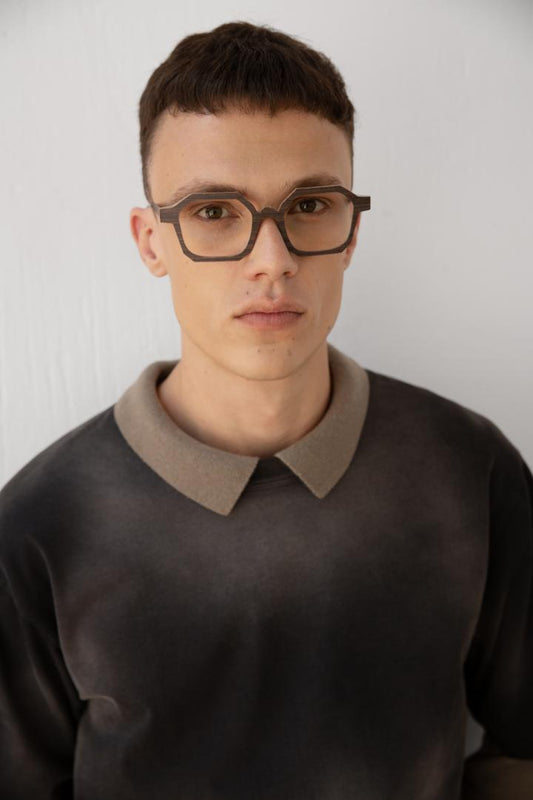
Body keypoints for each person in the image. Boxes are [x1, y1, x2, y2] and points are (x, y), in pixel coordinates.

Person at [0, 20, 531, 800]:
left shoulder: (468, 469)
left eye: (309, 204)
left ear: (351, 232)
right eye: (215, 211)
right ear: (151, 242)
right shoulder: (41, 524)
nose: (272, 261)